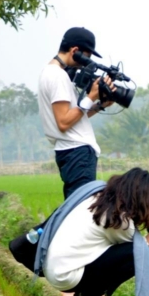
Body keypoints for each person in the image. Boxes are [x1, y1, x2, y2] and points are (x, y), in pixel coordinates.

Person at [40, 168, 149, 296]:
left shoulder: (98, 199)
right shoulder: (120, 219)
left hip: (56, 268)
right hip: (66, 276)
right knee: (135, 255)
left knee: (123, 252)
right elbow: (141, 250)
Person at [39, 27, 117, 199]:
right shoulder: (58, 76)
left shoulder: (52, 73)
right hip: (77, 152)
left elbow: (73, 116)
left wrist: (99, 105)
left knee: (76, 206)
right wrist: (91, 96)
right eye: (86, 57)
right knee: (80, 209)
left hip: (73, 151)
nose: (86, 63)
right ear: (75, 51)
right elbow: (64, 122)